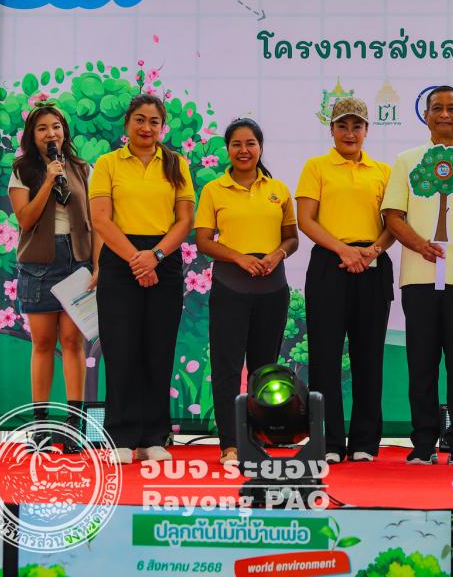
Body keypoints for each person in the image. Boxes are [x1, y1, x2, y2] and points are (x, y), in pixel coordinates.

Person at [382, 86, 453, 466]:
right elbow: (393, 216)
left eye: (452, 108)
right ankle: (422, 443)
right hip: (418, 278)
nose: (444, 114)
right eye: (437, 108)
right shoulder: (407, 161)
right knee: (421, 364)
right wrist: (420, 245)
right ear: (426, 116)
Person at [89, 95, 194, 464]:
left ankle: (153, 436)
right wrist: (137, 259)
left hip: (164, 259)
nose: (146, 127)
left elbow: (185, 220)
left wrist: (155, 257)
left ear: (162, 127)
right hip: (121, 260)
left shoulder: (176, 163)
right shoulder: (107, 163)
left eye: (154, 121)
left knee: (158, 349)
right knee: (121, 349)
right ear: (127, 123)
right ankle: (120, 435)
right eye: (140, 119)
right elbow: (101, 219)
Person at [295, 97, 394, 464]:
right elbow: (306, 220)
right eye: (342, 126)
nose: (349, 133)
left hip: (372, 264)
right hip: (329, 263)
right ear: (332, 129)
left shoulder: (383, 171)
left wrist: (373, 250)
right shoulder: (316, 167)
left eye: (357, 126)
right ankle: (330, 442)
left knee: (369, 356)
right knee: (325, 357)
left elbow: (394, 223)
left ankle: (365, 441)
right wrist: (343, 250)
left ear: (367, 130)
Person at [195, 118, 298, 466]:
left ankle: (257, 440)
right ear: (227, 149)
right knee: (226, 367)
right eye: (236, 144)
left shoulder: (278, 189)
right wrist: (238, 257)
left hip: (273, 289)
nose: (244, 150)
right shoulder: (214, 190)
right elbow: (204, 241)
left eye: (250, 143)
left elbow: (292, 238)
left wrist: (276, 255)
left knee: (265, 370)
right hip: (230, 287)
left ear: (260, 147)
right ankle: (230, 444)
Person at [9, 103, 101, 451]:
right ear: (32, 135)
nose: (51, 133)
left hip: (77, 261)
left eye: (57, 127)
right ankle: (41, 426)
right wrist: (48, 180)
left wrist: (97, 265)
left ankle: (75, 425)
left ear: (65, 131)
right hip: (39, 263)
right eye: (43, 128)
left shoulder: (82, 168)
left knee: (73, 342)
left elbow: (96, 220)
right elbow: (25, 219)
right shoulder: (22, 170)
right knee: (44, 343)